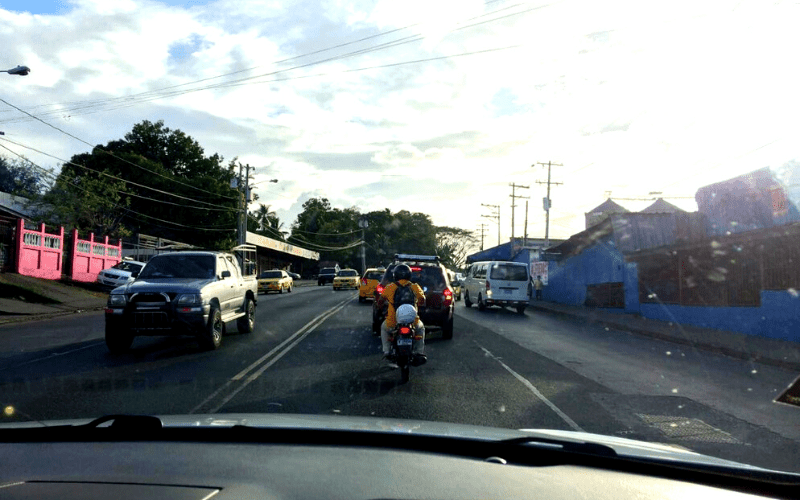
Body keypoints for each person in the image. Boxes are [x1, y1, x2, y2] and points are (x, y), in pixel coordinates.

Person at [378, 264, 426, 367]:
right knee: (421, 329)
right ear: (409, 275)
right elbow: (422, 301)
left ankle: (387, 351)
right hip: (413, 322)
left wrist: (382, 306)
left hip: (393, 322)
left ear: (395, 275)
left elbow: (380, 301)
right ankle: (419, 352)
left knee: (384, 328)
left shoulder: (390, 287)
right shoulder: (414, 286)